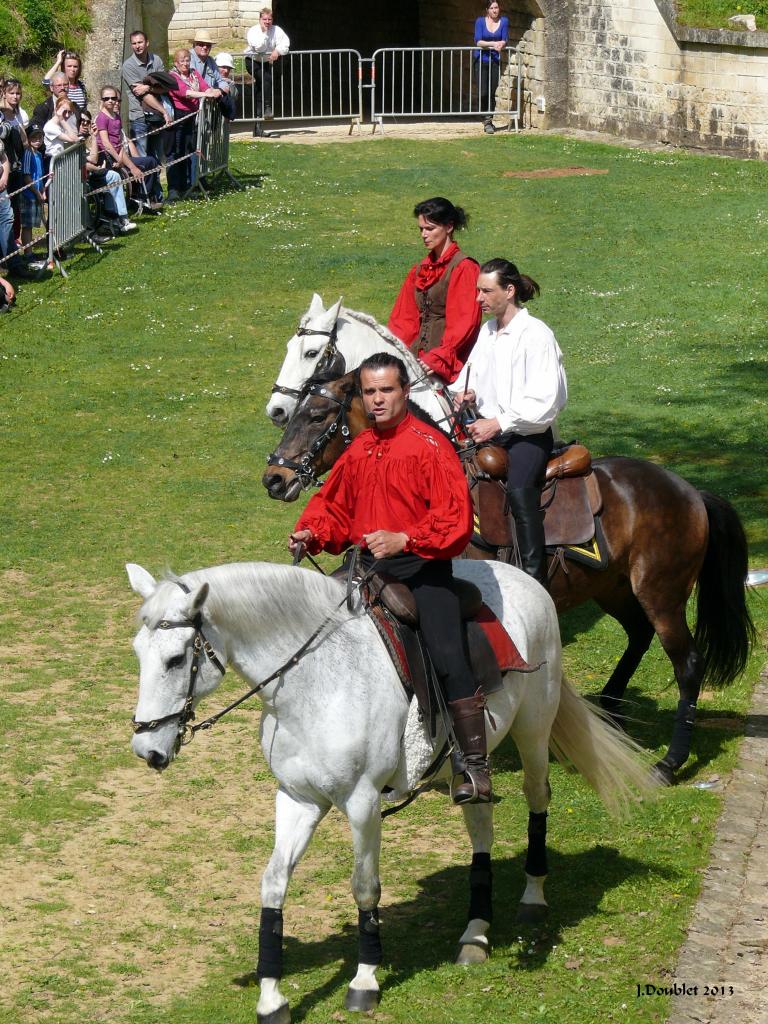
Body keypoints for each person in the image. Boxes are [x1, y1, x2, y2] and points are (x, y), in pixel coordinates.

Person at [288, 351, 493, 804]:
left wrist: (406, 538)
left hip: (423, 568)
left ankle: (473, 766)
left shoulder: (430, 446)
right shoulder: (359, 449)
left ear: (404, 392)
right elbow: (335, 506)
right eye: (369, 392)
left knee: (446, 651)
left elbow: (456, 520)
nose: (378, 400)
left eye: (386, 390)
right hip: (365, 567)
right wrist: (312, 532)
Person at [452, 258, 568, 586]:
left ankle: (535, 582)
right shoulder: (488, 331)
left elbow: (546, 402)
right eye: (478, 291)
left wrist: (498, 423)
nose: (479, 298)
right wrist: (466, 393)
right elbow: (468, 377)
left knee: (519, 491)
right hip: (490, 431)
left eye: (486, 291)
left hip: (530, 436)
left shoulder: (537, 335)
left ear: (510, 291)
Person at [387, 197, 482, 385]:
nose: (424, 234)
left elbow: (464, 323)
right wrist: (394, 353)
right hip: (417, 360)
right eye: (421, 229)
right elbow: (404, 320)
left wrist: (438, 358)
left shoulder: (464, 268)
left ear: (449, 227)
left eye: (430, 229)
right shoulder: (418, 270)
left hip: (450, 362)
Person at [121, 29, 171, 204]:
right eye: (134, 43)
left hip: (156, 117)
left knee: (156, 157)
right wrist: (163, 110)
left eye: (140, 42)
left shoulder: (156, 60)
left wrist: (148, 87)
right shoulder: (128, 66)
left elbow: (165, 86)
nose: (137, 46)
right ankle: (144, 196)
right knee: (143, 158)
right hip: (140, 118)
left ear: (147, 42)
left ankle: (156, 194)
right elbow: (141, 95)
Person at [166, 48, 221, 201]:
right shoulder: (173, 77)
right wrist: (207, 94)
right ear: (176, 63)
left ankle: (190, 185)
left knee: (191, 151)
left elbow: (204, 86)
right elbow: (186, 93)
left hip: (194, 117)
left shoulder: (194, 74)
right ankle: (174, 189)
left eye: (187, 60)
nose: (185, 63)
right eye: (181, 61)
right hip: (180, 118)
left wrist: (213, 90)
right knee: (177, 153)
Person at [95, 87, 160, 210]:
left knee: (151, 161)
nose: (110, 101)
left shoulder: (117, 117)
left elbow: (119, 142)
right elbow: (106, 143)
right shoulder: (101, 118)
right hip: (107, 157)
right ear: (102, 100)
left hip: (119, 154)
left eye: (113, 98)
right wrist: (120, 160)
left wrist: (123, 159)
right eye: (106, 98)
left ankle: (143, 196)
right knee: (146, 163)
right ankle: (140, 198)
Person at [82, 111, 136, 236]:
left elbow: (94, 159)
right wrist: (97, 169)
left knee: (114, 176)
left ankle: (121, 218)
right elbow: (83, 164)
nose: (85, 124)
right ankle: (112, 219)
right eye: (82, 122)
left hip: (93, 174)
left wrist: (94, 137)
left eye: (87, 122)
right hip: (84, 178)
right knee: (111, 175)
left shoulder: (88, 138)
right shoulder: (75, 139)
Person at [245, 7, 290, 134]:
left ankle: (257, 127)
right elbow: (259, 48)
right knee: (267, 80)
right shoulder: (253, 31)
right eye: (264, 19)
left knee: (260, 90)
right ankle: (268, 107)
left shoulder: (277, 30)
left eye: (269, 19)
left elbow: (286, 44)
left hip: (265, 63)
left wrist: (277, 50)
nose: (267, 22)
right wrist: (264, 33)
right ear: (260, 19)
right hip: (252, 61)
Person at [474, 1, 509, 135]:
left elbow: (505, 39)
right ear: (487, 10)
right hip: (480, 60)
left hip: (494, 60)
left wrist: (502, 43)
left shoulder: (504, 21)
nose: (495, 10)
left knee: (492, 91)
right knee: (483, 91)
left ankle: (488, 120)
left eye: (497, 8)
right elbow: (478, 41)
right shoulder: (480, 22)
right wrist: (494, 43)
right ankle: (485, 116)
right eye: (492, 8)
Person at [20, 123, 46, 254]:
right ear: (29, 139)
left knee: (33, 225)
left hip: (37, 194)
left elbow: (40, 176)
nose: (38, 140)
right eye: (34, 138)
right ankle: (28, 254)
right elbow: (27, 177)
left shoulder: (39, 155)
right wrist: (36, 193)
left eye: (40, 137)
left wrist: (43, 191)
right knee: (27, 226)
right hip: (28, 195)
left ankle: (30, 254)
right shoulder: (28, 154)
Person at [214, 52, 239, 120]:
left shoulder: (230, 83)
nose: (226, 71)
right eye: (223, 67)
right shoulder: (209, 79)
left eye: (229, 68)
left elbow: (235, 96)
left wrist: (230, 85)